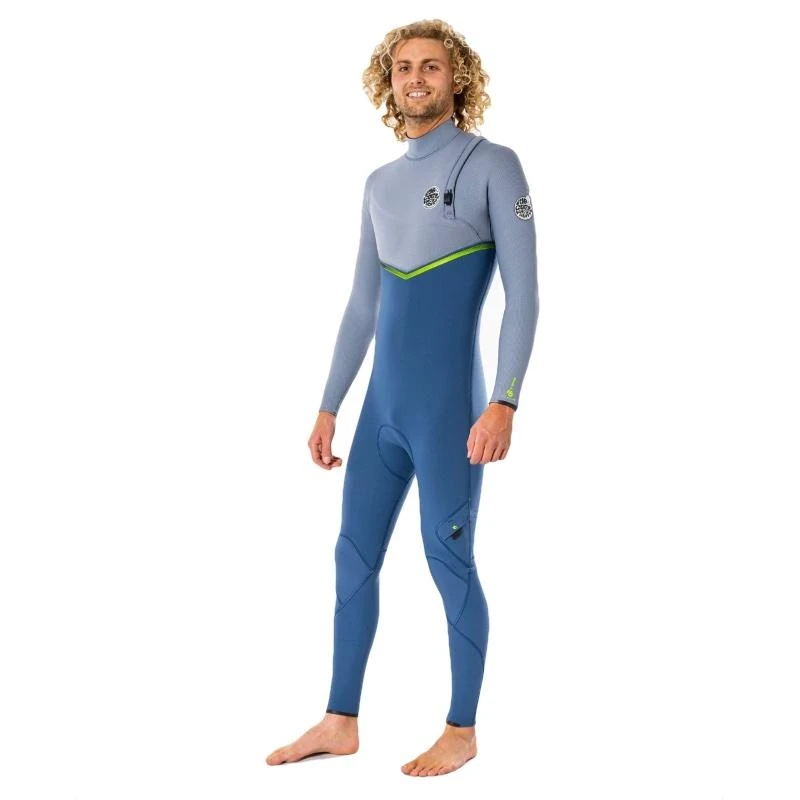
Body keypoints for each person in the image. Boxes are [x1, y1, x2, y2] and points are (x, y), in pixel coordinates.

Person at [266, 18, 539, 777]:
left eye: (431, 66)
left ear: (458, 78)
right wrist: (329, 405)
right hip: (381, 413)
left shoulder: (493, 165)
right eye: (403, 67)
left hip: (452, 411)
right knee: (352, 555)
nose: (415, 77)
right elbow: (363, 306)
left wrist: (505, 401)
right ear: (389, 84)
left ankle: (462, 729)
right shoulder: (379, 185)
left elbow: (524, 296)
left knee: (448, 558)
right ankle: (339, 721)